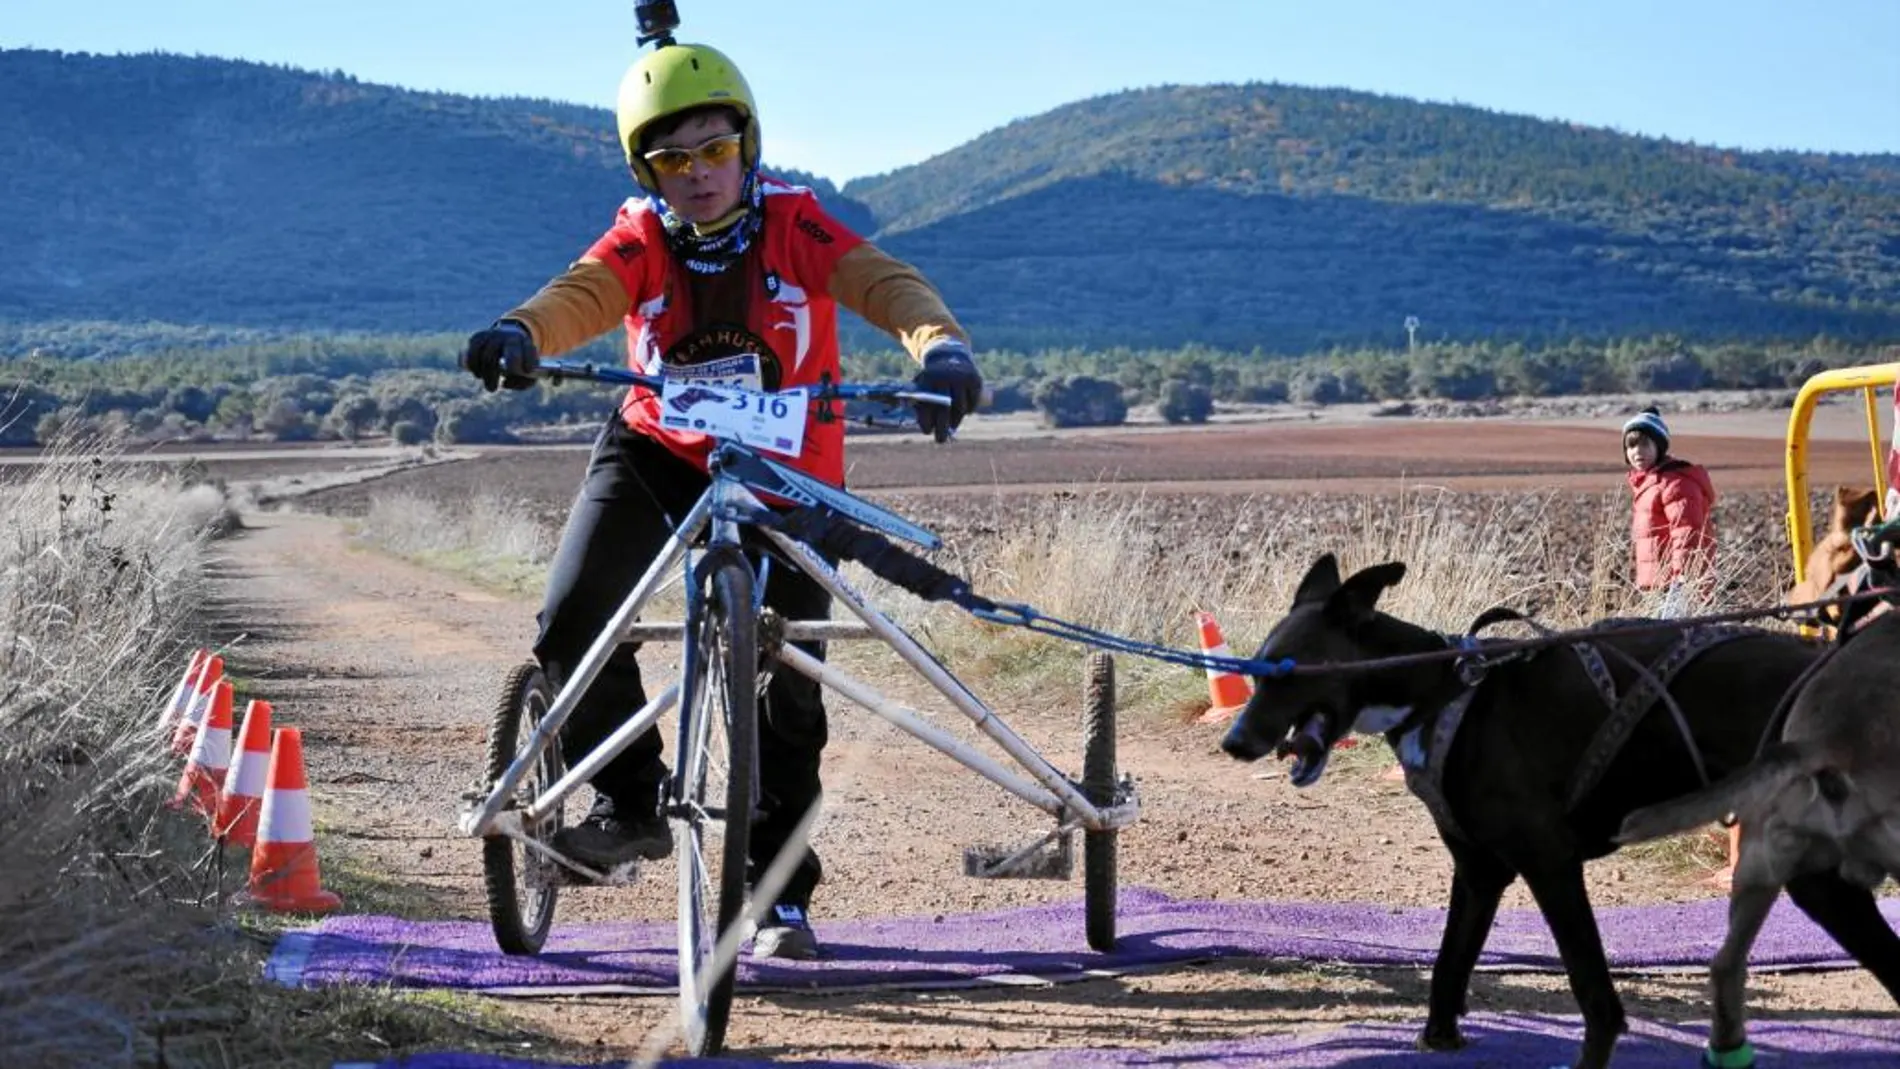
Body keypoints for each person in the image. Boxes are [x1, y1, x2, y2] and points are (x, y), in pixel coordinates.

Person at [459, 40, 982, 960]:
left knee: (790, 686)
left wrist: (939, 349)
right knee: (575, 612)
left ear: (747, 144)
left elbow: (885, 283)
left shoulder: (795, 223)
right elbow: (582, 293)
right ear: (644, 169)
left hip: (788, 470)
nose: (697, 174)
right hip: (658, 448)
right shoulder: (644, 237)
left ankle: (776, 893)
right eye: (672, 158)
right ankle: (628, 800)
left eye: (714, 149)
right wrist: (519, 330)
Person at [1622, 405, 1716, 613]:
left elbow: (1687, 532)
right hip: (1656, 585)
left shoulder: (1675, 483)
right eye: (1631, 446)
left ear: (1659, 447)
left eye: (1645, 444)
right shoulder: (1648, 484)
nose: (1637, 452)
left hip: (1675, 586)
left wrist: (1683, 578)